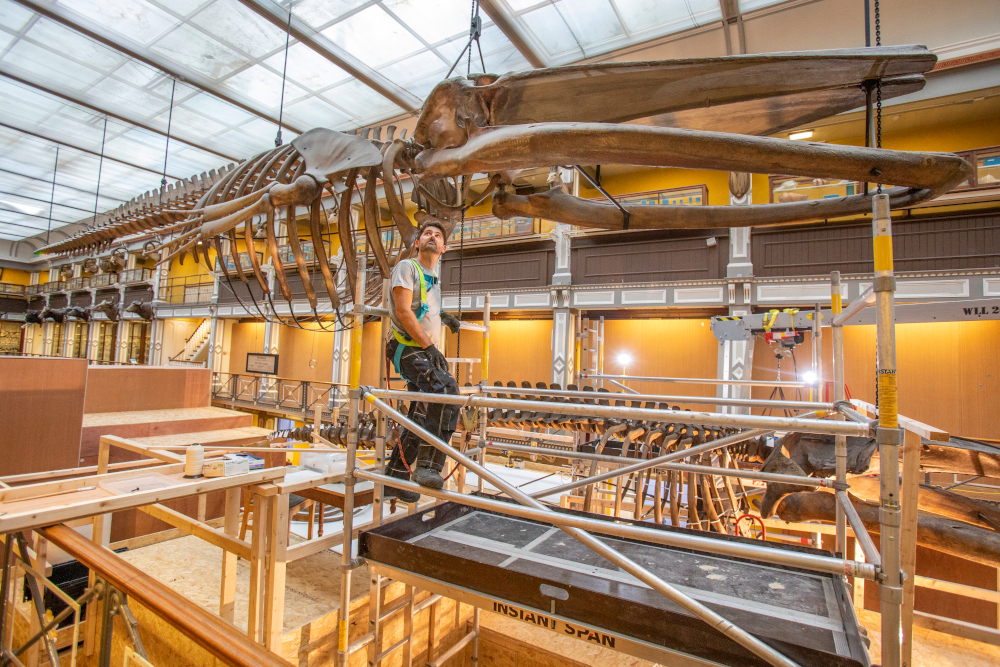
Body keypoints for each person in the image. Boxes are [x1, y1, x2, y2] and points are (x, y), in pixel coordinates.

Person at [383, 220, 463, 503]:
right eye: (427, 233)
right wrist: (430, 347)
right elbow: (404, 311)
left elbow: (422, 308)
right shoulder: (407, 267)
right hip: (407, 347)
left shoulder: (433, 277)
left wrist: (443, 317)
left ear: (444, 248)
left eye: (437, 235)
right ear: (417, 243)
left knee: (421, 415)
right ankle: (428, 467)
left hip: (423, 348)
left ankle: (395, 476)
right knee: (446, 389)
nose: (432, 237)